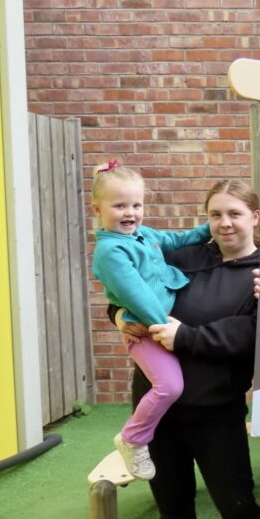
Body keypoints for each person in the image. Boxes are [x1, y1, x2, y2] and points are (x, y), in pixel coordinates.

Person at [113, 179, 260, 519]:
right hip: (160, 415)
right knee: (174, 511)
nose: (225, 223)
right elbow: (127, 288)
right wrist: (118, 316)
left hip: (216, 414)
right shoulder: (181, 258)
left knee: (238, 509)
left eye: (235, 214)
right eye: (216, 214)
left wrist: (186, 338)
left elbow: (252, 334)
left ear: (254, 217)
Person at [90, 161, 211, 480]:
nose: (129, 213)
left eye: (136, 205)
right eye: (119, 206)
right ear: (97, 208)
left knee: (177, 385)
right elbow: (137, 295)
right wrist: (165, 326)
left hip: (158, 326)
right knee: (169, 386)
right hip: (147, 329)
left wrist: (209, 228)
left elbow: (175, 240)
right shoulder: (111, 251)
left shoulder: (143, 235)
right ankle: (132, 438)